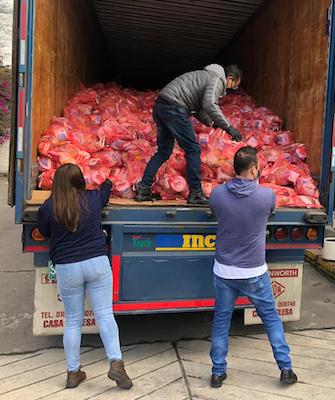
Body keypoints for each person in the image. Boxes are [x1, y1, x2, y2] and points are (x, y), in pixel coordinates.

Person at [37, 164, 132, 390]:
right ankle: (116, 363)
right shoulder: (91, 198)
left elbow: (45, 231)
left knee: (72, 321)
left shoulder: (49, 208)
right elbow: (106, 191)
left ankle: (73, 373)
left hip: (67, 268)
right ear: (80, 181)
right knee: (105, 315)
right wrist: (108, 179)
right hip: (96, 263)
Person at [208, 146, 297, 388]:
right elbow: (270, 213)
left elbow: (215, 212)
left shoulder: (217, 194)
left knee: (221, 320)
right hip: (254, 272)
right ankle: (286, 368)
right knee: (270, 318)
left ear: (234, 168)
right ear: (254, 168)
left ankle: (217, 372)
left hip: (224, 270)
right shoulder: (266, 196)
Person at [135, 64, 244, 205]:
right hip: (174, 107)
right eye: (234, 85)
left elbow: (198, 109)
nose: (231, 89)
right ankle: (196, 193)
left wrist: (212, 123)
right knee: (193, 149)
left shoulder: (203, 77)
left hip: (162, 105)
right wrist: (229, 127)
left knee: (163, 151)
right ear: (229, 78)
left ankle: (143, 190)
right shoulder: (217, 79)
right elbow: (210, 104)